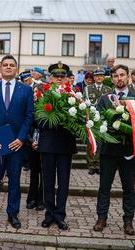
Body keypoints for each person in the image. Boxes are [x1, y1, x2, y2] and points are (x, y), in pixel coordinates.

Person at [0, 55, 33, 229]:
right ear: (0, 69)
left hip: (16, 144)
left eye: (12, 65)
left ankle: (13, 213)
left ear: (16, 69)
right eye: (5, 65)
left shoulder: (26, 90)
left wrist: (21, 138)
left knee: (15, 181)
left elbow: (29, 116)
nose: (8, 67)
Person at [93, 64, 135, 236]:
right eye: (116, 76)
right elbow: (98, 120)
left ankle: (128, 221)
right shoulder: (105, 99)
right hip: (108, 151)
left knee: (129, 189)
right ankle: (101, 218)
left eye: (122, 75)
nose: (119, 78)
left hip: (129, 151)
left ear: (127, 77)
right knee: (104, 187)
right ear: (111, 79)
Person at [38, 62, 77, 230]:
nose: (59, 79)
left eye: (63, 76)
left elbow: (78, 121)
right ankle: (49, 214)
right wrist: (53, 120)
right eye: (56, 76)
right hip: (47, 143)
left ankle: (60, 215)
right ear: (51, 78)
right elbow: (37, 119)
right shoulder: (42, 94)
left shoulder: (74, 95)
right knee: (47, 181)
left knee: (63, 182)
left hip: (65, 145)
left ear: (67, 78)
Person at [83, 69, 111, 175]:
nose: (99, 77)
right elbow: (85, 103)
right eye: (97, 76)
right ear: (94, 78)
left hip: (102, 118)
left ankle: (98, 164)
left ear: (104, 77)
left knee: (101, 142)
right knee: (91, 141)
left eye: (101, 76)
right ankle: (91, 164)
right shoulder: (87, 89)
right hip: (91, 118)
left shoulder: (108, 89)